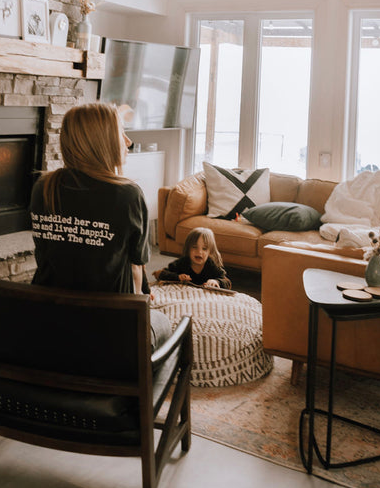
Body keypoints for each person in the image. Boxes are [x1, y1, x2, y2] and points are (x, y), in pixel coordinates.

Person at [28, 102, 170, 345]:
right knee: (165, 322)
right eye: (120, 133)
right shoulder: (128, 194)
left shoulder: (43, 186)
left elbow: (44, 256)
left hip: (49, 319)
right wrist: (143, 302)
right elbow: (137, 267)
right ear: (101, 141)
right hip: (109, 328)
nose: (128, 142)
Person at [155, 227, 232, 289]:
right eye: (194, 247)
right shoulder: (182, 263)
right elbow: (160, 274)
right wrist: (178, 277)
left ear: (210, 252)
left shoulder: (211, 265)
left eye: (204, 249)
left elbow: (227, 283)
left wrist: (216, 281)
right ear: (188, 249)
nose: (199, 252)